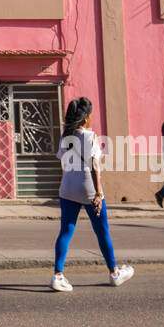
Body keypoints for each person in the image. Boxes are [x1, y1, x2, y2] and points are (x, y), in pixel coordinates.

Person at [51, 96, 134, 291]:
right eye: (91, 115)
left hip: (67, 188)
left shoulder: (65, 137)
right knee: (102, 231)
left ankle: (57, 275)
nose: (92, 118)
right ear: (85, 118)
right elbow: (95, 166)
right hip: (88, 189)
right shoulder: (90, 136)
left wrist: (66, 185)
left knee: (66, 231)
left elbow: (63, 164)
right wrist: (98, 194)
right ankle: (114, 273)